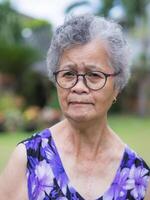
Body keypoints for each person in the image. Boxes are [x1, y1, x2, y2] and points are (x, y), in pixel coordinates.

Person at [0, 14, 150, 200]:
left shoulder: (138, 177)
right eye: (69, 74)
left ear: (117, 87)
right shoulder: (28, 160)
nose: (78, 87)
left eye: (94, 75)